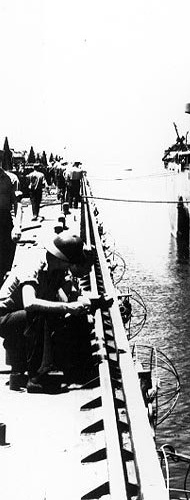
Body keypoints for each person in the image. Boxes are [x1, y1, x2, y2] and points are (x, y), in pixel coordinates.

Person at [0, 233, 94, 392]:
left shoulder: (56, 268)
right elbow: (29, 303)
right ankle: (35, 378)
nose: (70, 268)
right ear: (63, 260)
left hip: (20, 316)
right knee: (40, 314)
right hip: (4, 317)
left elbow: (66, 294)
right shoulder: (33, 265)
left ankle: (71, 368)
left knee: (57, 315)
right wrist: (67, 307)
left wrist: (81, 300)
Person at [0, 165, 22, 282]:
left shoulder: (12, 179)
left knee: (5, 260)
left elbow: (17, 204)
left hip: (4, 221)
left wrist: (17, 226)